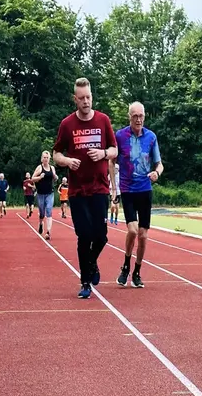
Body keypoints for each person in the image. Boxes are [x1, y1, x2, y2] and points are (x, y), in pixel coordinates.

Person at [53, 77, 117, 299]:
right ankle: (85, 281)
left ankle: (91, 264)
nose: (86, 101)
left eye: (88, 97)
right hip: (78, 190)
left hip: (100, 187)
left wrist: (103, 154)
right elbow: (56, 153)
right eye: (81, 98)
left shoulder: (103, 120)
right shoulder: (67, 124)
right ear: (75, 99)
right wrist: (67, 161)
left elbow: (114, 150)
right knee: (84, 235)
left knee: (101, 236)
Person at [112, 101, 163, 289]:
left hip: (145, 189)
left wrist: (157, 173)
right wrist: (114, 188)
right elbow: (111, 162)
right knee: (132, 230)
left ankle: (137, 271)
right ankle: (126, 265)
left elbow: (159, 163)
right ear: (129, 117)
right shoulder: (120, 136)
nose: (139, 119)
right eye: (135, 116)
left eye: (141, 116)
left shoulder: (151, 137)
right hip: (127, 189)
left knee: (143, 235)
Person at [32, 151, 57, 239]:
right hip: (40, 194)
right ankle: (41, 223)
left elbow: (55, 178)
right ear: (42, 159)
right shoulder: (39, 168)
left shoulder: (52, 168)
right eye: (44, 157)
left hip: (50, 193)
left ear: (49, 159)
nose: (46, 159)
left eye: (47, 157)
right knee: (42, 213)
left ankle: (48, 232)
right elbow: (32, 179)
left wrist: (55, 177)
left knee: (49, 211)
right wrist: (39, 177)